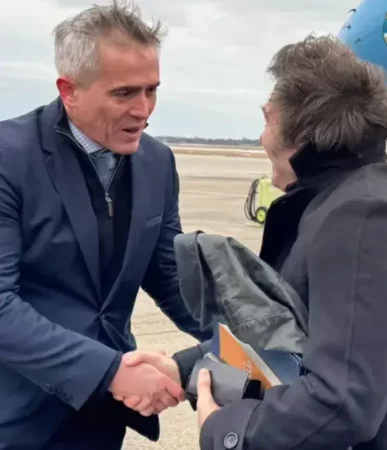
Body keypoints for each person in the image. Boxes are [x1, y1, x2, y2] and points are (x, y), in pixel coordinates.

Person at [121, 34, 387, 450]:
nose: (262, 138)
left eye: (268, 121)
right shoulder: (347, 199)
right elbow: (293, 334)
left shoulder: (364, 216)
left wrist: (228, 430)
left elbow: (342, 401)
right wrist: (184, 368)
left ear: (301, 129)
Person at [0, 2, 211, 449]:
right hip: (14, 413)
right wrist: (110, 372)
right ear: (69, 90)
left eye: (152, 90)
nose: (144, 110)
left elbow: (170, 276)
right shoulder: (8, 158)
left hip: (101, 418)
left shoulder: (157, 162)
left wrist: (239, 341)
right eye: (124, 93)